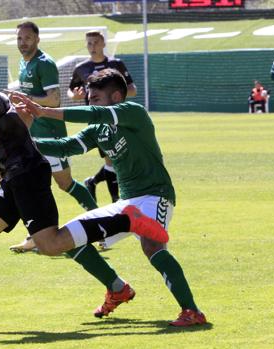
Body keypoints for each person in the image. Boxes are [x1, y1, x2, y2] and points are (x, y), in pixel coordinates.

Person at [0, 41, 168, 332]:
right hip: (14, 174)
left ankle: (125, 220)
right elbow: (18, 119)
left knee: (50, 245)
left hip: (27, 174)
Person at [13, 68, 206, 327]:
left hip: (155, 195)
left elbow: (97, 114)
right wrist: (23, 142)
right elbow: (65, 146)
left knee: (152, 245)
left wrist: (44, 111)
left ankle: (192, 311)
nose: (90, 104)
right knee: (62, 241)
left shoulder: (133, 112)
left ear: (116, 97)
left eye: (95, 98)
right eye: (89, 99)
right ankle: (117, 288)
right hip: (126, 206)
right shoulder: (98, 130)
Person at [9, 21, 98, 253]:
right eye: (19, 38)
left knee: (64, 183)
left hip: (51, 133)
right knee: (33, 184)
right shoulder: (24, 63)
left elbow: (54, 99)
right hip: (33, 134)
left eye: (27, 38)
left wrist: (26, 99)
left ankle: (98, 223)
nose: (23, 42)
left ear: (37, 39)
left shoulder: (44, 64)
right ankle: (34, 237)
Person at [69, 30, 137, 205]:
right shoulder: (81, 69)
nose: (93, 46)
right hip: (98, 120)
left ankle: (93, 182)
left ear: (104, 44)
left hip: (119, 116)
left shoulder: (116, 64)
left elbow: (132, 89)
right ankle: (116, 200)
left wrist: (117, 93)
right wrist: (75, 96)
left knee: (117, 156)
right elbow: (71, 91)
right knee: (112, 157)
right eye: (89, 43)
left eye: (96, 43)